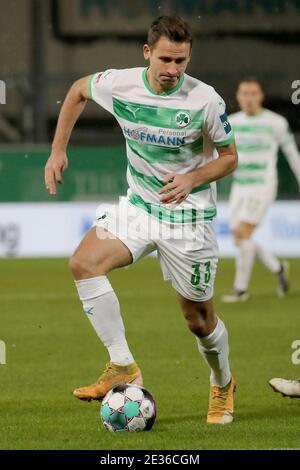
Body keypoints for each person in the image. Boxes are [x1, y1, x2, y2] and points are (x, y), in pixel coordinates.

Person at [44, 16, 238, 425]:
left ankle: (222, 382)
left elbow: (230, 157)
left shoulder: (206, 100)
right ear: (147, 52)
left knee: (198, 320)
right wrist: (57, 150)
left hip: (188, 218)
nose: (172, 70)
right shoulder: (120, 83)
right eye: (165, 59)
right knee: (83, 263)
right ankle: (123, 366)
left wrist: (192, 177)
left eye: (181, 62)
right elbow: (79, 89)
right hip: (140, 206)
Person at [222, 78, 300, 303]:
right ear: (237, 96)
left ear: (261, 96)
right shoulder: (231, 121)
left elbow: (293, 156)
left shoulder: (276, 122)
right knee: (240, 240)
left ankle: (240, 290)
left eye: (253, 93)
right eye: (244, 93)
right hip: (240, 186)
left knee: (241, 235)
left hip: (262, 186)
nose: (248, 98)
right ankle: (278, 269)